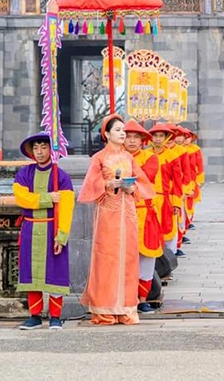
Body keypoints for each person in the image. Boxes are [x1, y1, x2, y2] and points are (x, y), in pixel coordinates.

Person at [78, 114, 155, 325]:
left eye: (124, 131)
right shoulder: (99, 158)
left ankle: (126, 309)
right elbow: (90, 186)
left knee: (128, 257)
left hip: (127, 211)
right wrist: (107, 185)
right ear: (107, 134)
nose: (123, 134)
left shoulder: (129, 158)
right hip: (107, 213)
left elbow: (143, 184)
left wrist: (132, 188)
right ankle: (104, 310)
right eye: (118, 130)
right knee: (106, 258)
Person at [14, 132, 75, 330]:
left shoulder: (61, 176)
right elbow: (21, 197)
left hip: (51, 228)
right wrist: (48, 197)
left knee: (55, 272)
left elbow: (66, 207)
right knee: (31, 273)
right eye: (36, 148)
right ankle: (35, 315)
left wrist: (61, 236)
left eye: (43, 147)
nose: (39, 152)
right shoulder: (25, 173)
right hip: (30, 228)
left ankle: (55, 316)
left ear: (51, 150)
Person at [123, 120, 163, 314]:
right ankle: (126, 298)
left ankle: (142, 299)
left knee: (146, 258)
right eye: (128, 137)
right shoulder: (115, 157)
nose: (131, 141)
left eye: (136, 137)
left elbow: (145, 179)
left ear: (142, 141)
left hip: (144, 212)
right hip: (121, 213)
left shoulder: (150, 157)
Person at [149, 123, 184, 259]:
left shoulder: (173, 156)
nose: (158, 139)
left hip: (166, 198)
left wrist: (176, 203)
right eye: (155, 136)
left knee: (168, 228)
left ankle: (169, 259)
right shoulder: (145, 155)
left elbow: (177, 181)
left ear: (166, 138)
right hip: (148, 200)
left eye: (161, 136)